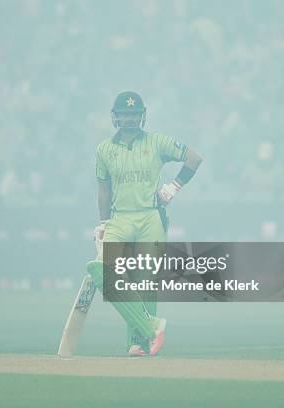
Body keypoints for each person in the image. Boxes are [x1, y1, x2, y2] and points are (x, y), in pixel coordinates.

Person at [89, 91, 202, 356]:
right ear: (115, 117)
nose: (129, 118)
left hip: (151, 216)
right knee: (103, 270)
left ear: (142, 115)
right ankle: (152, 327)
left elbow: (194, 159)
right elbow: (103, 190)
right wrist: (103, 222)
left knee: (145, 282)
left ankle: (137, 343)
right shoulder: (104, 149)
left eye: (134, 113)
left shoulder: (156, 142)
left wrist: (173, 187)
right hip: (120, 218)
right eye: (124, 114)